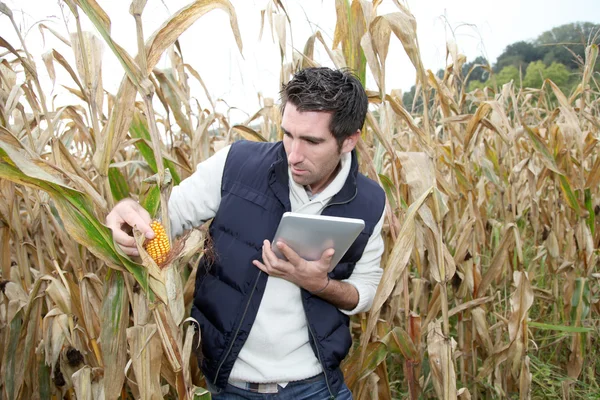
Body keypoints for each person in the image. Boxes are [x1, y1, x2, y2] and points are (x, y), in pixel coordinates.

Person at [106, 67, 386, 399]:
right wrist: (128, 218)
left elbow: (364, 291)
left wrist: (320, 285)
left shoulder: (370, 203)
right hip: (228, 386)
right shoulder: (236, 165)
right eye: (287, 134)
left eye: (311, 141)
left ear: (349, 139)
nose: (293, 155)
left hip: (316, 386)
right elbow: (164, 220)